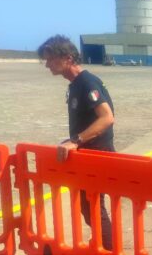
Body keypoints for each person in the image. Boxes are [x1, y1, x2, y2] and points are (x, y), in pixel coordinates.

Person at [37, 34, 113, 250]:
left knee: (95, 209)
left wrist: (76, 140)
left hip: (97, 154)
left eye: (50, 59)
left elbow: (107, 117)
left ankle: (110, 248)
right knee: (89, 208)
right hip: (87, 155)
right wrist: (73, 141)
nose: (47, 65)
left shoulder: (87, 82)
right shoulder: (75, 84)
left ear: (68, 58)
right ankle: (104, 246)